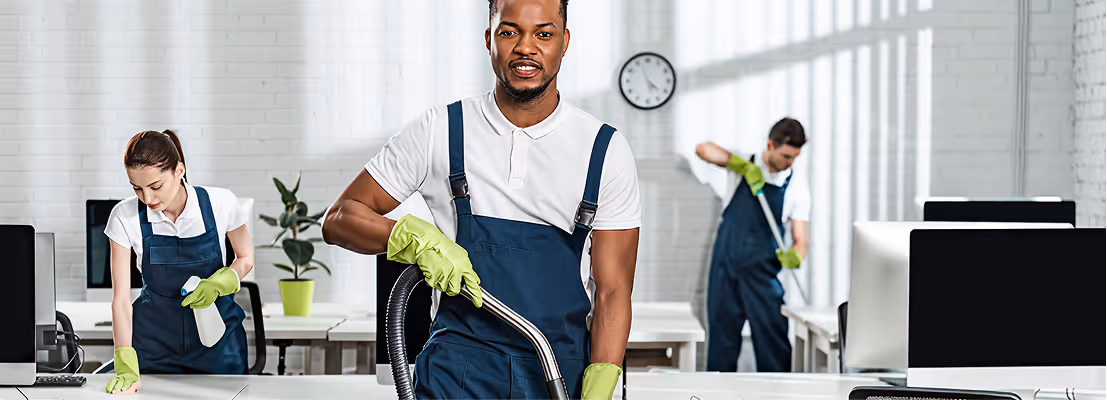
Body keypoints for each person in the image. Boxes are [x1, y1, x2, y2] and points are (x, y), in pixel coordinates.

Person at [321, 0, 641, 398]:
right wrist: (413, 238)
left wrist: (600, 383)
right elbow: (338, 218)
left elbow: (613, 293)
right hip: (455, 376)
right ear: (490, 39)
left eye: (544, 33)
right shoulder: (440, 130)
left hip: (557, 375)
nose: (526, 47)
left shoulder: (604, 150)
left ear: (564, 42)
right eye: (510, 32)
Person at [102, 130, 255, 394]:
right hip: (153, 345)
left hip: (217, 343)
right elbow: (121, 300)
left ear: (179, 170)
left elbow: (245, 258)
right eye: (137, 188)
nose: (148, 199)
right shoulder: (123, 217)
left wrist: (219, 283)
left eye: (156, 186)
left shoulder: (220, 203)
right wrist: (125, 361)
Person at [695, 117, 810, 373]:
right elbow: (702, 149)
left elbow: (801, 240)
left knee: (774, 348)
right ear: (770, 144)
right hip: (725, 270)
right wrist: (742, 167)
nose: (789, 163)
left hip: (762, 275)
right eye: (786, 156)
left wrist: (796, 255)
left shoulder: (796, 185)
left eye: (794, 157)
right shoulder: (745, 163)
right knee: (721, 346)